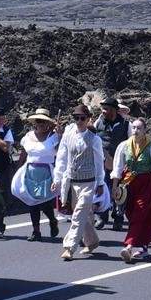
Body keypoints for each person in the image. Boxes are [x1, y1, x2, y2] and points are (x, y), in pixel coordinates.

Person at [53, 106, 105, 259]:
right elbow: (62, 159)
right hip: (72, 182)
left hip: (88, 182)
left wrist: (100, 182)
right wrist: (57, 178)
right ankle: (92, 241)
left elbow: (99, 162)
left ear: (88, 119)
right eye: (76, 118)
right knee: (81, 214)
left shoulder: (95, 139)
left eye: (83, 118)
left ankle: (69, 247)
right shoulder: (68, 136)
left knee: (79, 213)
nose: (79, 121)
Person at [112, 121, 151, 262]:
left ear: (145, 130)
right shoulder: (124, 146)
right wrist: (115, 187)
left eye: (139, 128)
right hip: (128, 184)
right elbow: (117, 167)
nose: (136, 130)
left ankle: (129, 246)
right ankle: (144, 247)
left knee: (140, 213)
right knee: (131, 214)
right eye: (134, 127)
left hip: (146, 184)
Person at [17, 109, 60, 240]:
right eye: (38, 121)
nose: (40, 124)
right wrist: (18, 167)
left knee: (45, 202)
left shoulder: (54, 137)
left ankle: (52, 220)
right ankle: (36, 231)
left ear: (48, 123)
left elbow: (61, 153)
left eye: (43, 121)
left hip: (47, 172)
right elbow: (23, 153)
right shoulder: (28, 136)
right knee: (32, 202)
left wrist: (60, 135)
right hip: (30, 172)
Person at [94, 97, 128, 229]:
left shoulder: (126, 124)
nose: (103, 111)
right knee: (102, 189)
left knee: (119, 190)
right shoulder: (99, 122)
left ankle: (118, 217)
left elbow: (130, 144)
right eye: (102, 108)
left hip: (119, 163)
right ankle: (101, 217)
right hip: (102, 162)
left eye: (106, 109)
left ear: (114, 110)